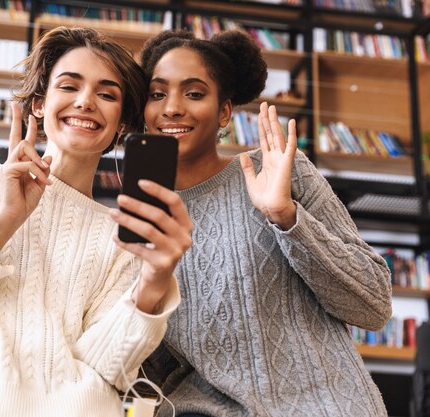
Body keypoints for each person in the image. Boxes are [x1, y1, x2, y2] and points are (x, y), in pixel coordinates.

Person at [0, 26, 193, 417]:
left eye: (106, 94)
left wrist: (152, 282)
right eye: (69, 86)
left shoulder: (124, 235)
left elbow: (107, 369)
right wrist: (6, 220)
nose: (85, 102)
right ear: (40, 104)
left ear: (123, 123)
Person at [139, 29, 393, 417]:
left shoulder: (281, 173)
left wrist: (285, 216)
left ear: (225, 111)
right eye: (157, 94)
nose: (171, 108)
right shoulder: (141, 218)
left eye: (193, 93)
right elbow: (148, 366)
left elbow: (373, 307)